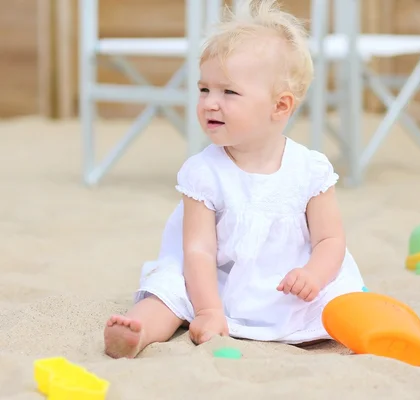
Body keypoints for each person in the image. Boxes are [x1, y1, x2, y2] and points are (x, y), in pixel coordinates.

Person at [103, 0, 365, 359]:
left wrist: (314, 275)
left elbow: (330, 239)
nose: (210, 103)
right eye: (204, 89)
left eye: (229, 92)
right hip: (211, 281)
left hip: (287, 281)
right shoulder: (203, 172)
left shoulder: (310, 170)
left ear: (280, 106)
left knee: (341, 299)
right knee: (166, 291)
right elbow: (198, 250)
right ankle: (138, 331)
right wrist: (209, 309)